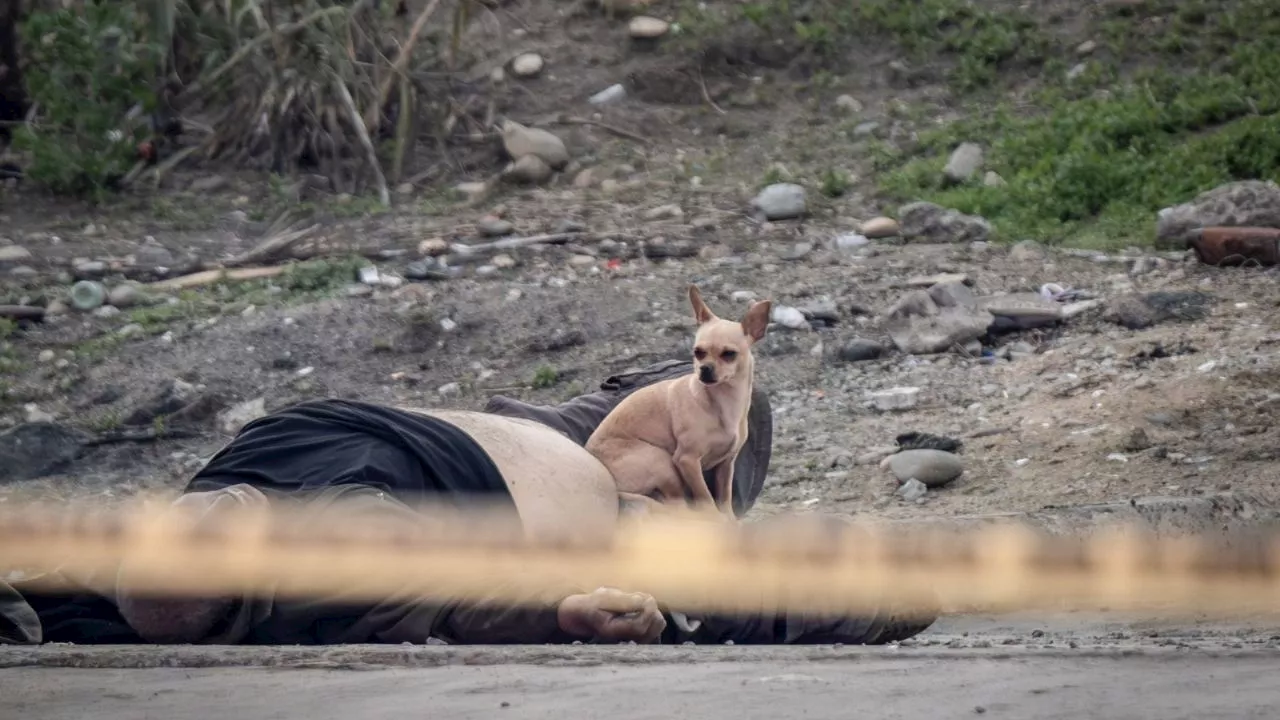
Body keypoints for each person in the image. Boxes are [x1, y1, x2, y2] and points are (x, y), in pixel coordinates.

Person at [1, 359, 935, 646]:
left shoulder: (207, 498)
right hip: (591, 521)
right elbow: (458, 599)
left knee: (739, 402)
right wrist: (565, 610)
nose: (208, 511)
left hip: (530, 426)